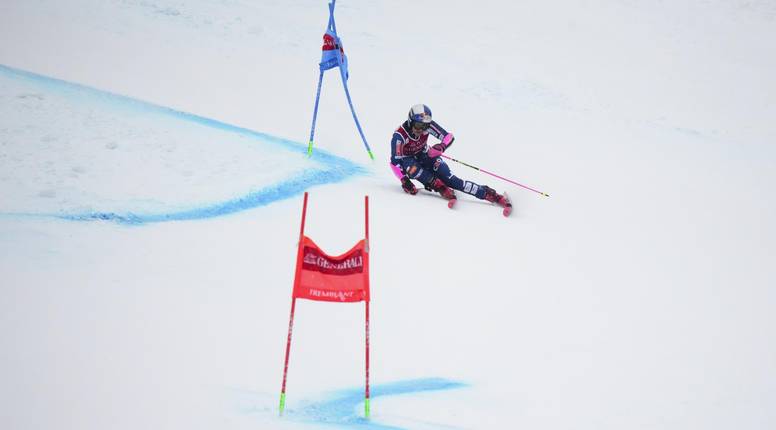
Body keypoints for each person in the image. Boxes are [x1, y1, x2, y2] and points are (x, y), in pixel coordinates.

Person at [390, 104, 511, 213]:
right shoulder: (399, 136)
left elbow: (448, 137)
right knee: (413, 168)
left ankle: (491, 195)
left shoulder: (428, 126)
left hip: (425, 154)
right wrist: (404, 180)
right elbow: (395, 162)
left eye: (425, 126)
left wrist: (441, 147)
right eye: (418, 125)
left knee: (453, 181)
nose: (421, 130)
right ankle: (440, 187)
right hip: (408, 161)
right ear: (410, 121)